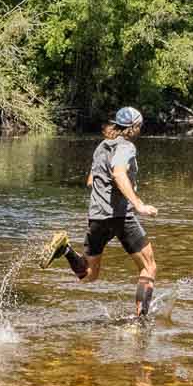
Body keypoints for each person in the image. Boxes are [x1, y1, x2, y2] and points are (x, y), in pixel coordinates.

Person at [43, 106, 159, 319]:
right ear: (132, 128)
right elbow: (118, 172)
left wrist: (127, 190)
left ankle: (66, 250)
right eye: (140, 126)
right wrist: (138, 205)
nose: (140, 130)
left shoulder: (101, 147)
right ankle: (140, 322)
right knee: (149, 266)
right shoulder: (126, 147)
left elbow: (91, 182)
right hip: (120, 215)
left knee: (89, 274)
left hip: (97, 215)